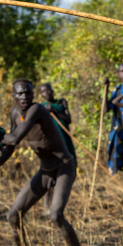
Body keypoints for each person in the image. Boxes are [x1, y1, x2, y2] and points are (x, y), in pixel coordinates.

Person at [0, 79, 94, 246]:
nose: (25, 97)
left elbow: (15, 138)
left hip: (64, 167)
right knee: (13, 215)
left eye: (28, 93)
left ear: (33, 94)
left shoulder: (37, 110)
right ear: (13, 96)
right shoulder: (15, 114)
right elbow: (8, 150)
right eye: (20, 94)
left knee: (55, 215)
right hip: (46, 170)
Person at [39, 83, 76, 215]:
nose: (46, 93)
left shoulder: (61, 103)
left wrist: (55, 110)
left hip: (65, 139)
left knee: (67, 170)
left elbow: (68, 119)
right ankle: (46, 206)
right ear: (41, 95)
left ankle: (58, 205)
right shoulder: (41, 108)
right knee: (50, 174)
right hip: (52, 143)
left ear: (52, 90)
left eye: (48, 90)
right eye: (43, 92)